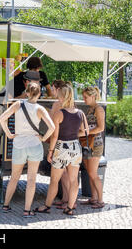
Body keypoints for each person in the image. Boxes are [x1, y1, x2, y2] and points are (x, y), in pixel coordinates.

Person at [0, 83, 55, 217]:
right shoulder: (40, 109)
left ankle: (6, 205)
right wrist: (42, 137)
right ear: (39, 94)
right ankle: (27, 210)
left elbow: (2, 119)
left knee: (14, 177)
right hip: (34, 145)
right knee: (31, 180)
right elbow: (52, 127)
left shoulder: (18, 104)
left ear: (27, 93)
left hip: (19, 145)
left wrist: (9, 134)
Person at [34, 84, 89, 216]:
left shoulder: (59, 114)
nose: (57, 98)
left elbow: (54, 135)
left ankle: (47, 206)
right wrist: (74, 134)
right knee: (73, 180)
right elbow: (85, 131)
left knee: (54, 180)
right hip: (75, 148)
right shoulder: (80, 113)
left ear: (62, 97)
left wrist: (51, 151)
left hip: (61, 148)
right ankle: (70, 208)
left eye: (58, 96)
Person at [0, 69, 42, 143]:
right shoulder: (15, 84)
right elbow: (6, 101)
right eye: (36, 82)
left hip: (8, 107)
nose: (37, 84)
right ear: (27, 81)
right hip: (0, 104)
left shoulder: (29, 86)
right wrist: (23, 96)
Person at [48, 80, 76, 209]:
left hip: (60, 143)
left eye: (53, 89)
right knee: (69, 176)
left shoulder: (57, 105)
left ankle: (65, 200)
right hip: (72, 144)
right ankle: (68, 200)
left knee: (61, 175)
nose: (52, 92)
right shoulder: (72, 105)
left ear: (58, 90)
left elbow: (53, 123)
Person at [81, 86, 105, 209]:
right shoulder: (91, 109)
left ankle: (100, 200)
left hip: (95, 145)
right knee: (90, 173)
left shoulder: (98, 109)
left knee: (93, 173)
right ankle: (94, 198)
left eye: (85, 97)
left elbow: (101, 128)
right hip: (88, 144)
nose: (83, 99)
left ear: (93, 96)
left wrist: (85, 133)